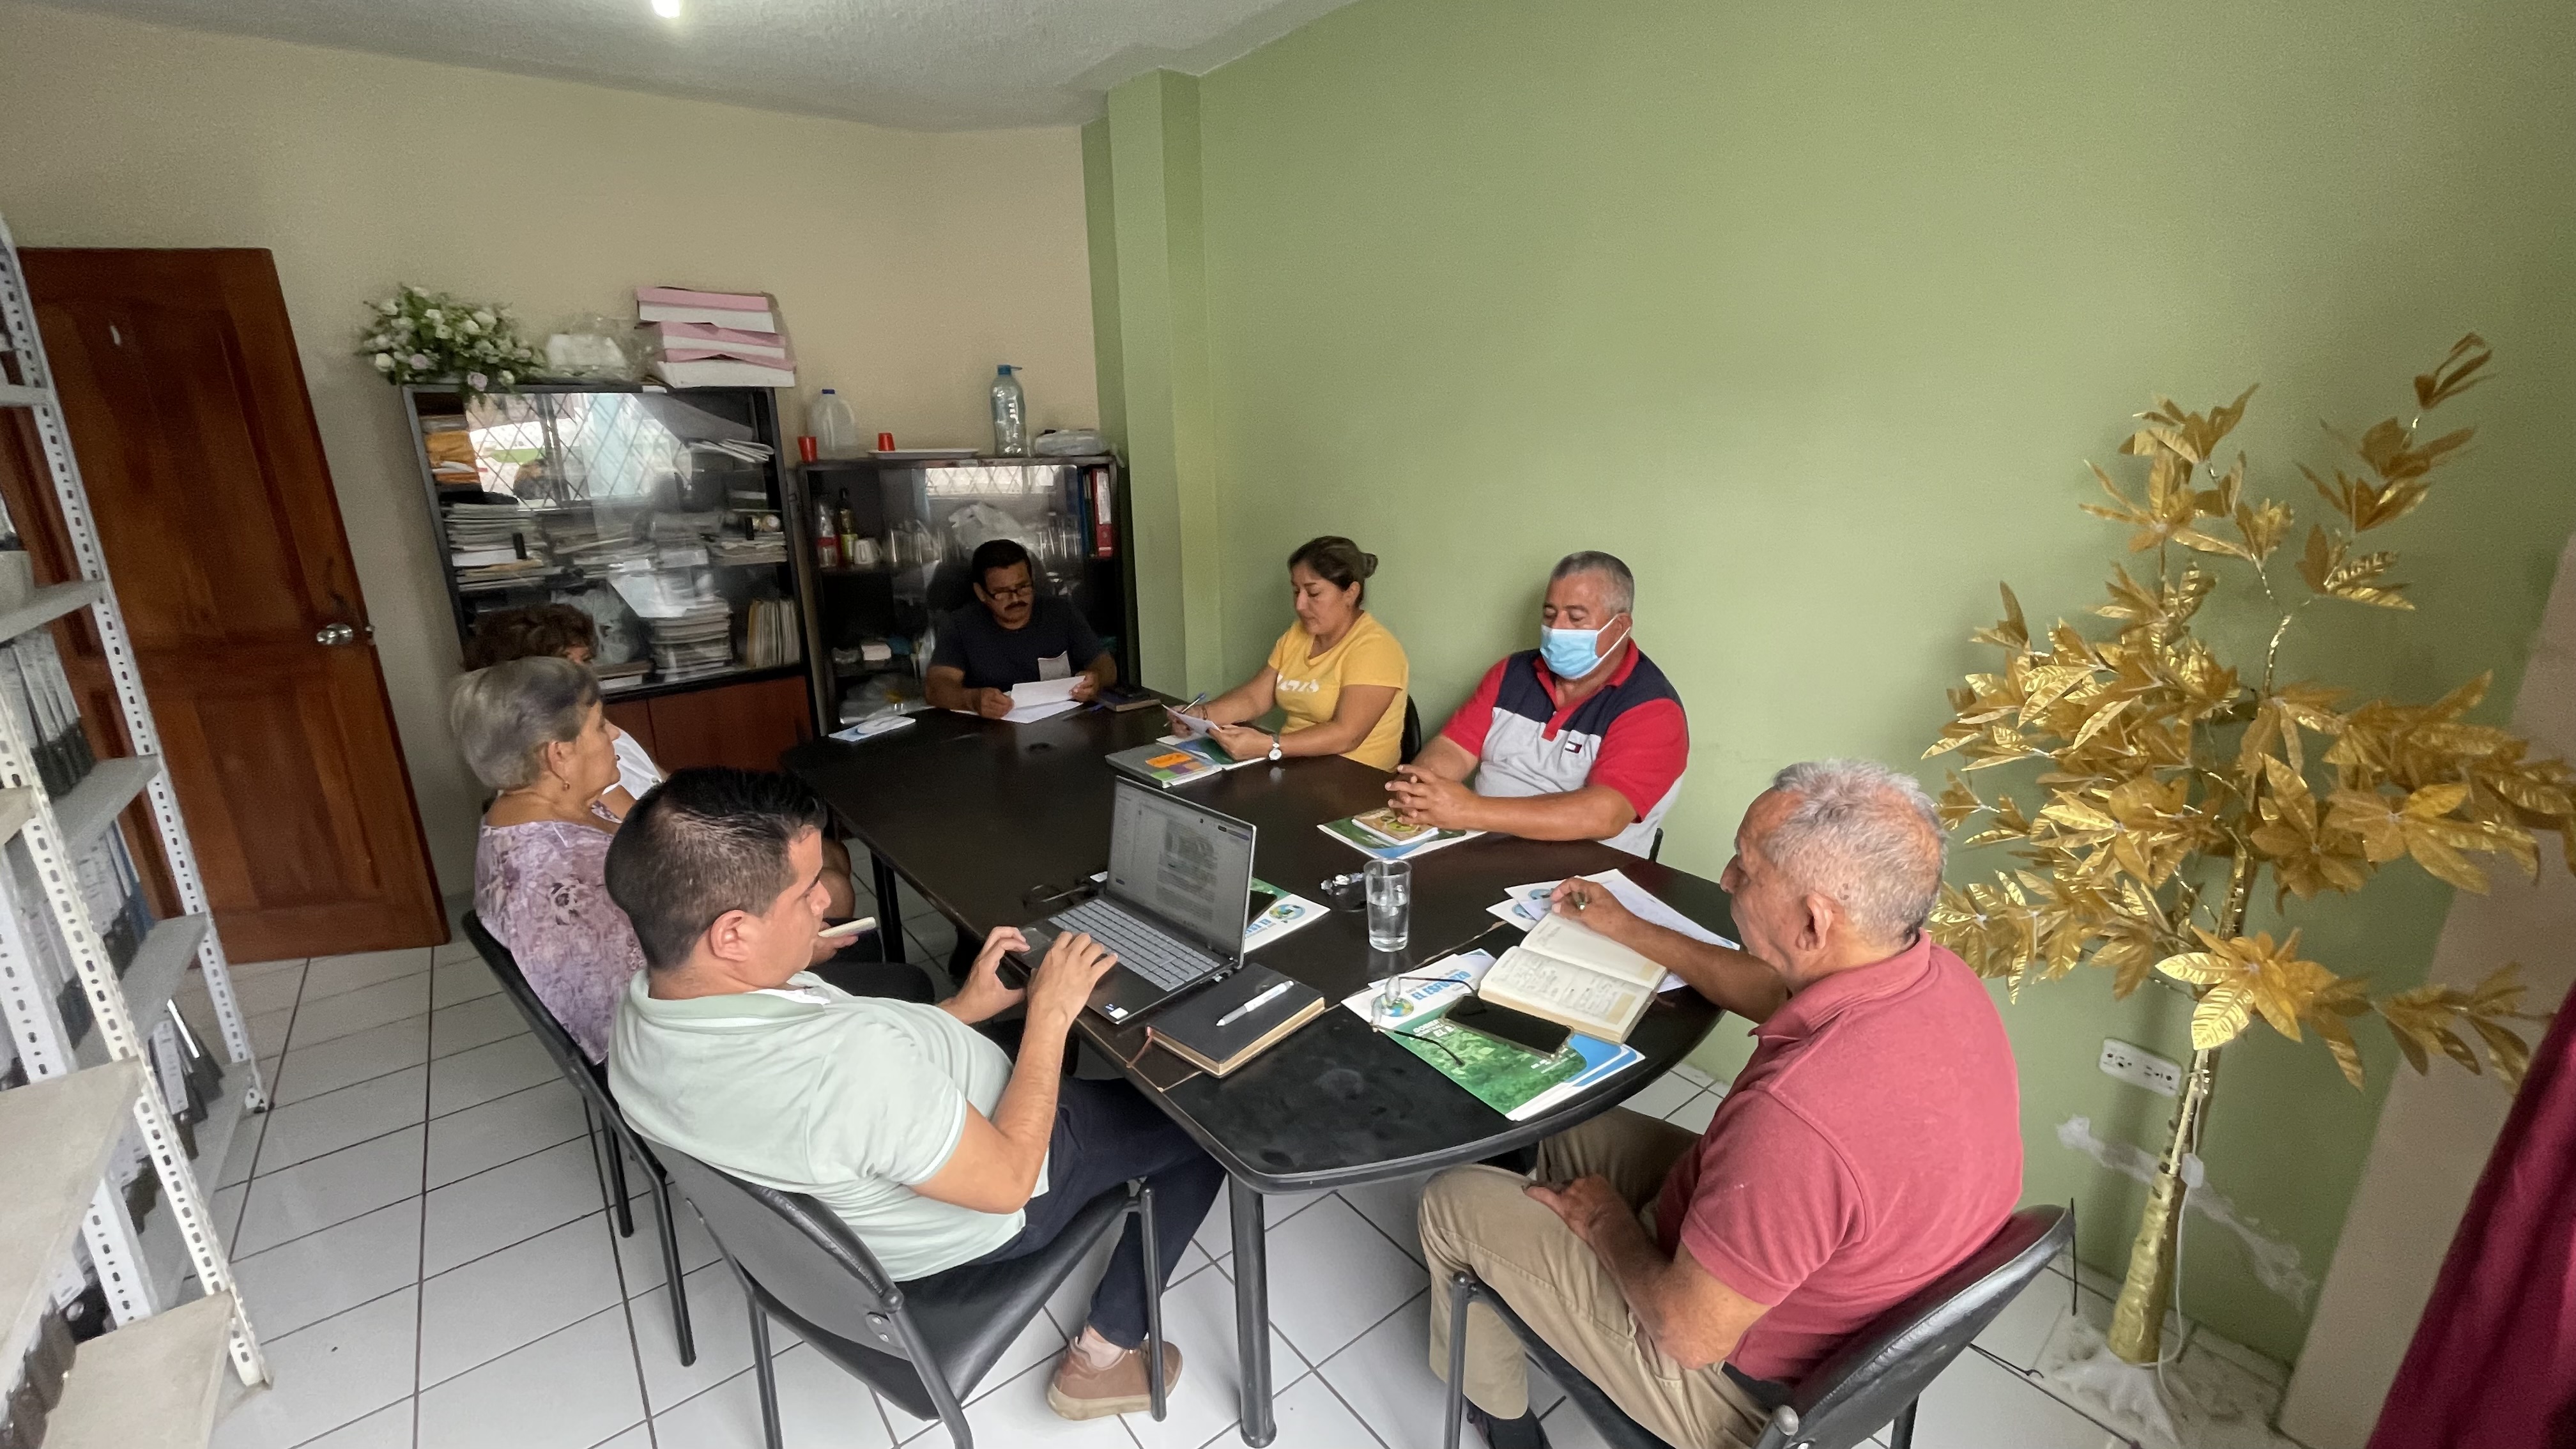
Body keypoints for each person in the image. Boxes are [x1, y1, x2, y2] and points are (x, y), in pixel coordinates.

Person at [1416, 762, 2022, 1449]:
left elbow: (1689, 1334)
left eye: (1747, 868)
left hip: (1734, 1389)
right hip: (1831, 1284)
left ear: (1814, 921)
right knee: (1546, 1118)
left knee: (1452, 1200)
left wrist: (1607, 1223)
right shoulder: (1931, 977)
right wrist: (1626, 927)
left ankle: (1505, 1425)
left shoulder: (1799, 1118)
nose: (1727, 879)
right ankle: (1526, 1270)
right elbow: (1768, 990)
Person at [604, 768, 1225, 1421]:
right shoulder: (840, 1070)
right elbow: (1009, 1181)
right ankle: (1104, 1356)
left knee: (1044, 1039)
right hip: (1006, 1181)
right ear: (732, 935)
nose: (826, 901)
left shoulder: (646, 1014)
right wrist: (1049, 1014)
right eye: (806, 891)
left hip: (905, 1142)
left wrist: (959, 1011)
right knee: (1204, 1124)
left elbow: (859, 1082)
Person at [463, 601, 871, 922]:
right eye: (577, 664)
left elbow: (669, 786)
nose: (592, 675)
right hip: (684, 871)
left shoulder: (588, 744)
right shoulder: (578, 780)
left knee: (830, 851)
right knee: (831, 886)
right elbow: (658, 837)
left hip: (686, 849)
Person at [1388, 551, 1686, 856]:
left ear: (1620, 626)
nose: (1557, 629)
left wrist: (1469, 810)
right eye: (1549, 614)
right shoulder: (1511, 673)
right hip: (1481, 851)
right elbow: (1453, 747)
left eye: (1575, 618)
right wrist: (1419, 789)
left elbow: (1604, 815)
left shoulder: (1653, 708)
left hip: (1586, 875)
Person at [1174, 536, 1411, 770]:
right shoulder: (1297, 634)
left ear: (1351, 592)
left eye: (1313, 593)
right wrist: (1200, 715)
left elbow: (1347, 735)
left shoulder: (1376, 648)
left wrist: (1270, 745)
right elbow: (1255, 698)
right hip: (1296, 767)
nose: (1300, 605)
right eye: (1296, 591)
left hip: (1354, 778)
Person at [461, 602, 661, 820]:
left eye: (585, 660)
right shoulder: (560, 757)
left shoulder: (599, 725)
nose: (582, 673)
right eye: (563, 664)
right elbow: (647, 829)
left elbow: (660, 781)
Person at [924, 540, 1117, 717]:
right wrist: (972, 700)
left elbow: (1105, 665)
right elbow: (936, 688)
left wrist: (1096, 680)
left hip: (1064, 725)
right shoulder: (961, 625)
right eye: (1002, 592)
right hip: (992, 732)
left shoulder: (1061, 612)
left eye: (1023, 587)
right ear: (981, 593)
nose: (1016, 599)